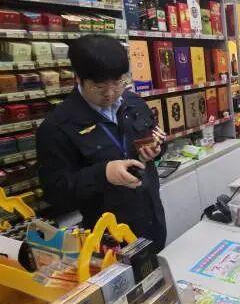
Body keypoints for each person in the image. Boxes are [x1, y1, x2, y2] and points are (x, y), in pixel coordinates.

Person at [37, 35, 168, 251]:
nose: (110, 93)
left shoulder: (134, 103)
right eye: (99, 87)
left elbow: (156, 137)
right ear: (78, 78)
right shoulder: (57, 127)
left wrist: (157, 148)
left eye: (117, 83)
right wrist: (103, 174)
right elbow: (55, 192)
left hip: (152, 221)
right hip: (107, 239)